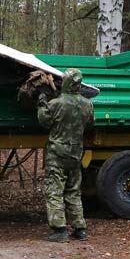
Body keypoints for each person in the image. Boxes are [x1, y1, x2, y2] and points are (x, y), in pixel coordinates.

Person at [37, 69, 95, 242]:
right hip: (76, 153)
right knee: (73, 190)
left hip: (57, 154)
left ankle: (59, 229)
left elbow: (43, 120)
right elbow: (90, 125)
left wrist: (41, 100)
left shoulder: (56, 103)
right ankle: (80, 228)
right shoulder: (88, 104)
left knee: (54, 190)